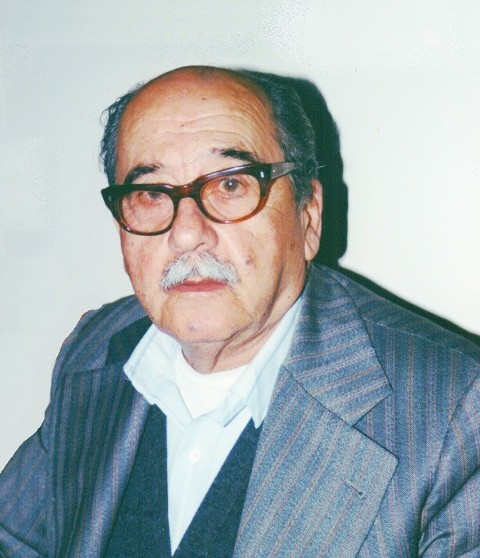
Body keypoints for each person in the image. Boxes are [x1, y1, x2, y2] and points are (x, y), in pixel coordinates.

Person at [1, 66, 479, 558]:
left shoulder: (455, 410)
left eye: (230, 185)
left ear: (308, 216)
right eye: (151, 193)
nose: (187, 234)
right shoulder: (97, 348)